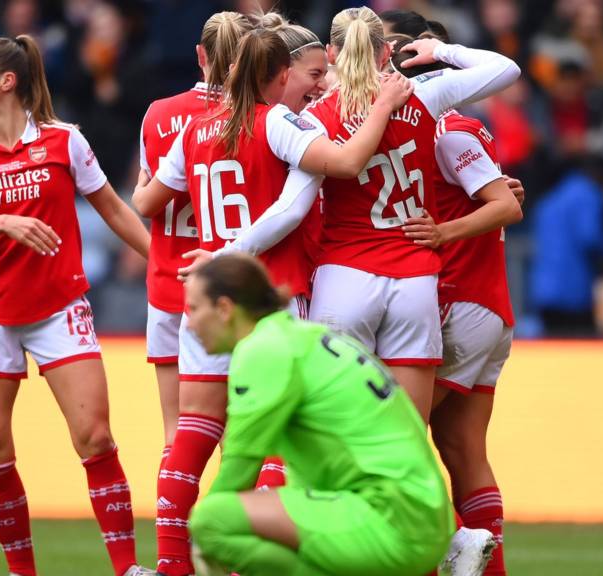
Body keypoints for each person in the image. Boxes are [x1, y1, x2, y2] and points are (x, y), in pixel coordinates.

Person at [134, 24, 412, 576]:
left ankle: (170, 564)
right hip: (267, 298)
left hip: (206, 299)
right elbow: (299, 199)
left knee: (192, 433)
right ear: (280, 74)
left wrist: (206, 248)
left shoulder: (193, 129)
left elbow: (148, 199)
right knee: (279, 440)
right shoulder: (281, 123)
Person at [0, 34, 154, 576]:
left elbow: (116, 211)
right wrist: (3, 222)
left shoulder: (64, 142)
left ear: (6, 81)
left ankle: (126, 568)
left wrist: (163, 262)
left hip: (60, 308)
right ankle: (22, 572)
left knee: (95, 437)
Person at [185, 253, 487, 575]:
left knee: (210, 520)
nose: (188, 323)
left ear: (225, 309)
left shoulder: (263, 349)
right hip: (420, 517)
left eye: (193, 309)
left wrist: (202, 537)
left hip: (387, 517)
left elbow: (239, 469)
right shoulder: (304, 336)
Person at [302, 7, 521, 422]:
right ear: (386, 52)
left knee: (333, 428)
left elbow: (293, 205)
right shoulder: (420, 94)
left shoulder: (311, 119)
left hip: (344, 273)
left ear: (331, 54)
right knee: (407, 436)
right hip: (414, 276)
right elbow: (505, 68)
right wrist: (441, 48)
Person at [393, 30, 524, 576]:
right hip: (489, 309)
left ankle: (442, 552)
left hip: (460, 306)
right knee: (462, 449)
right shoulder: (458, 129)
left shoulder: (445, 129)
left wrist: (444, 233)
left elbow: (501, 207)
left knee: (394, 443)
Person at [135, 11, 253, 575]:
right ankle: (233, 558)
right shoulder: (260, 114)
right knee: (242, 438)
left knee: (178, 434)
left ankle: (172, 559)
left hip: (170, 285)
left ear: (200, 55)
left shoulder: (162, 115)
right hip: (243, 282)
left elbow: (146, 198)